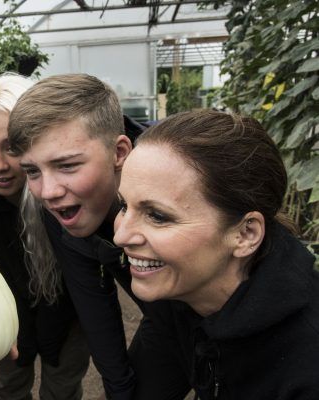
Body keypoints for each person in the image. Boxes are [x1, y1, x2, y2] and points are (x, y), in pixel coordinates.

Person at [113, 109, 319, 399]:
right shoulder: (178, 293)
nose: (120, 235)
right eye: (123, 206)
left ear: (246, 234)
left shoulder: (308, 366)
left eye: (157, 216)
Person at [8, 74, 147, 400]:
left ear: (120, 152)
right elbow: (94, 305)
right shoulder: (64, 213)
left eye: (67, 165)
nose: (48, 192)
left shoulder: (183, 190)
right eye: (32, 171)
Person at [0, 74, 90, 400]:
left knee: (63, 390)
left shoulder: (64, 198)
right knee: (8, 388)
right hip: (4, 324)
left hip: (69, 316)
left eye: (12, 148)